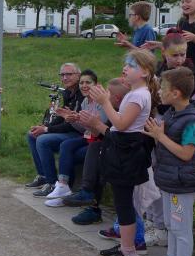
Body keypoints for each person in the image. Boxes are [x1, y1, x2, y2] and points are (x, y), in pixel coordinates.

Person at [140, 67, 195, 256]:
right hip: (171, 180)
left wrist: (160, 137)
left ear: (176, 93)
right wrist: (156, 135)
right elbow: (168, 146)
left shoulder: (192, 121)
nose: (160, 91)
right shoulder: (173, 113)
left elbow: (186, 154)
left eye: (163, 88)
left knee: (181, 228)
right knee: (171, 225)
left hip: (183, 183)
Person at [89, 49, 158, 256]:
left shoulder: (139, 95)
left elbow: (120, 124)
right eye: (126, 64)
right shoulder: (135, 93)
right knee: (122, 203)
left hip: (127, 152)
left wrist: (105, 102)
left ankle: (129, 254)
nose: (125, 68)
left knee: (124, 203)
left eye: (131, 65)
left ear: (145, 72)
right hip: (123, 150)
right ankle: (125, 246)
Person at [63, 78, 129, 224]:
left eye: (108, 93)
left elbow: (118, 138)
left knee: (97, 152)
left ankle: (90, 199)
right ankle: (89, 199)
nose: (105, 95)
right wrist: (87, 123)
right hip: (111, 150)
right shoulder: (114, 109)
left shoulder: (124, 112)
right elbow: (100, 135)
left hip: (127, 155)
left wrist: (97, 125)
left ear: (117, 98)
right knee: (96, 149)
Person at [23, 63, 83, 197]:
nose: (65, 78)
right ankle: (43, 176)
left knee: (43, 140)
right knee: (32, 135)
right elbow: (62, 117)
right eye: (62, 75)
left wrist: (46, 129)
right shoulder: (68, 92)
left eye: (69, 74)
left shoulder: (82, 93)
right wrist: (44, 126)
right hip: (69, 130)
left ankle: (51, 183)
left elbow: (70, 123)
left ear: (78, 76)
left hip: (80, 133)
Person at [44, 69, 98, 206]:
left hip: (98, 140)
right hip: (88, 137)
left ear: (96, 85)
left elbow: (98, 130)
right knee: (66, 145)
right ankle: (61, 186)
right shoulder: (85, 101)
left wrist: (76, 119)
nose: (84, 86)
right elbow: (84, 129)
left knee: (68, 151)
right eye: (82, 83)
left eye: (88, 83)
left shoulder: (100, 102)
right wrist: (71, 119)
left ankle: (66, 190)